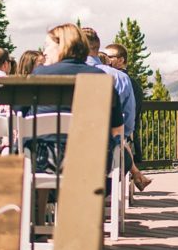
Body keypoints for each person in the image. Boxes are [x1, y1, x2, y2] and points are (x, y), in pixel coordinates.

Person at [32, 24, 151, 190]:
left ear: (62, 45)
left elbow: (23, 116)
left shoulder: (39, 76)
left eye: (47, 45)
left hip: (44, 161)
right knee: (120, 154)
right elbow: (118, 128)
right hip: (91, 164)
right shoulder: (100, 78)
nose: (44, 51)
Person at [104, 43, 146, 167]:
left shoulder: (128, 82)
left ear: (121, 60)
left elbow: (129, 116)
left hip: (122, 138)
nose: (106, 60)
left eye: (109, 56)